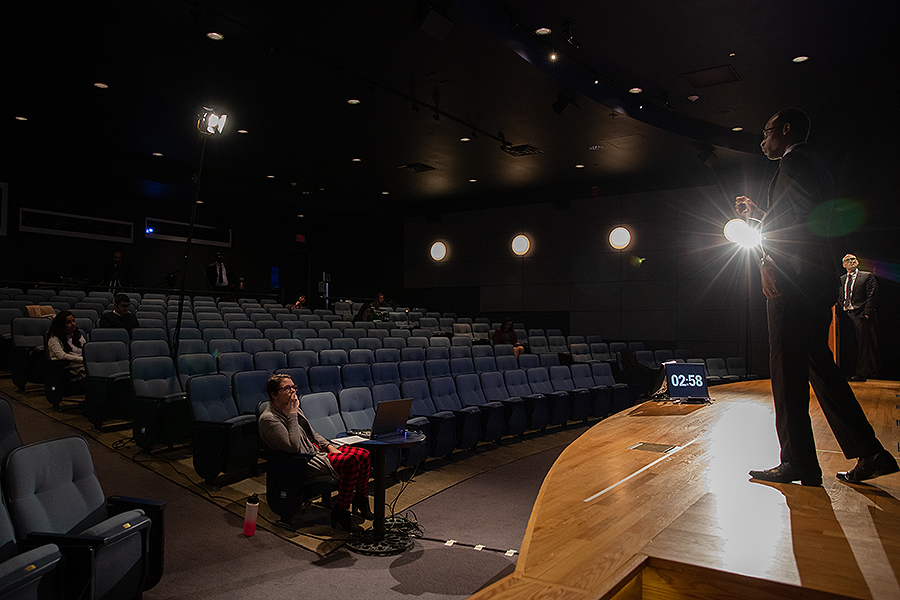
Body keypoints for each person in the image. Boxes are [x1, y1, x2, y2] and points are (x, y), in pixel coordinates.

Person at [734, 108, 897, 485]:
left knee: (786, 371)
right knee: (820, 367)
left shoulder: (793, 163)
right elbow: (803, 218)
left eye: (767, 132)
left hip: (793, 282)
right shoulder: (814, 165)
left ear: (786, 130)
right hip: (815, 281)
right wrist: (760, 214)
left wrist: (768, 262)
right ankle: (871, 452)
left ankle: (798, 462)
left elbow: (795, 225)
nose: (763, 140)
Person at [258, 374, 373, 532]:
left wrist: (328, 446)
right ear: (274, 394)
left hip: (315, 450)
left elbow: (311, 433)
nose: (293, 391)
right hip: (301, 460)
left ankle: (361, 499)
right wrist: (292, 414)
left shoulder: (292, 407)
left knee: (364, 454)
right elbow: (293, 446)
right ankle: (342, 511)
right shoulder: (269, 419)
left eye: (293, 387)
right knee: (351, 461)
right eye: (287, 388)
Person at [838, 254, 878, 381]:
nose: (851, 262)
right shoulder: (842, 279)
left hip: (860, 314)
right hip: (845, 315)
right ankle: (847, 371)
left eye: (853, 259)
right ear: (843, 265)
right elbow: (840, 296)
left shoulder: (867, 276)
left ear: (857, 262)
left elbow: (872, 295)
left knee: (863, 345)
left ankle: (861, 373)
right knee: (849, 344)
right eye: (847, 260)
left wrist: (867, 312)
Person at [46, 310, 86, 394]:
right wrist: (80, 359)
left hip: (80, 361)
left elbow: (85, 347)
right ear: (61, 325)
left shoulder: (76, 334)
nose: (73, 324)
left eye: (73, 321)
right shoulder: (53, 338)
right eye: (68, 322)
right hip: (65, 366)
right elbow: (62, 356)